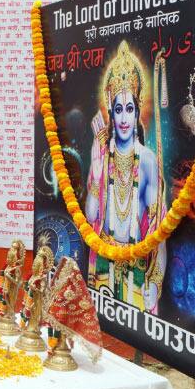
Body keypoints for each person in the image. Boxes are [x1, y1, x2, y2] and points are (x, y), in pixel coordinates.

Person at [85, 41, 166, 313]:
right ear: (110, 110)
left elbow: (159, 233)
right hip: (104, 268)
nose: (123, 119)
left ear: (137, 110)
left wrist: (155, 282)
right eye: (118, 110)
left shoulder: (147, 161)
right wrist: (96, 168)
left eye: (129, 109)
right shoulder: (102, 155)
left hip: (138, 272)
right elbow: (91, 216)